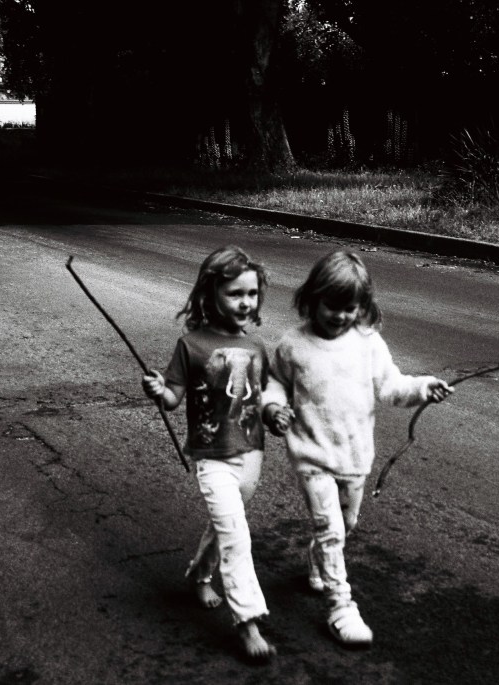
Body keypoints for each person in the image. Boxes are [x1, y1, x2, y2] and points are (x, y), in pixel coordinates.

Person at [261, 249, 453, 648]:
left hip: (355, 457)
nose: (341, 315)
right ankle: (340, 608)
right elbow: (275, 382)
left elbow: (393, 387)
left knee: (346, 525)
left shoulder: (368, 344)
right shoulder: (293, 345)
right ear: (312, 298)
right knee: (331, 529)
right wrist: (273, 407)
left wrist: (423, 388)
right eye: (332, 306)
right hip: (311, 455)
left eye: (350, 308)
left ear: (362, 307)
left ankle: (319, 557)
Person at [141, 245, 276, 661]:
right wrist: (159, 389)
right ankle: (248, 622)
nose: (246, 302)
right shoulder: (191, 345)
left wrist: (277, 415)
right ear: (210, 294)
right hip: (212, 457)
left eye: (252, 293)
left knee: (224, 527)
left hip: (251, 455)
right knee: (237, 535)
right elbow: (172, 400)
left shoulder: (257, 346)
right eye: (235, 293)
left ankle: (200, 575)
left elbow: (263, 398)